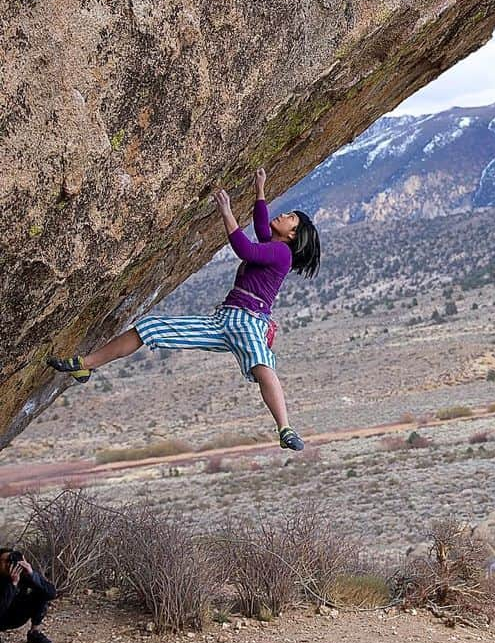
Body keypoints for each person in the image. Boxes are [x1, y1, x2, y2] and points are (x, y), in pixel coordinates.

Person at [47, 168, 320, 451]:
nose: (284, 215)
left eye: (291, 218)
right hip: (223, 320)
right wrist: (260, 189)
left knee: (263, 366)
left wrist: (226, 212)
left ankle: (285, 428)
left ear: (292, 235)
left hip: (250, 322)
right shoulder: (274, 245)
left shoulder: (283, 254)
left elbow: (246, 251)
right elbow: (262, 228)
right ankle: (85, 365)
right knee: (150, 328)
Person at [0, 549, 56, 643]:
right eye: (5, 561)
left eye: (11, 560)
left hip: (15, 617)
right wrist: (12, 585)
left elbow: (51, 593)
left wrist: (31, 574)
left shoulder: (23, 575)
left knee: (41, 591)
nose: (9, 564)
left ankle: (34, 632)